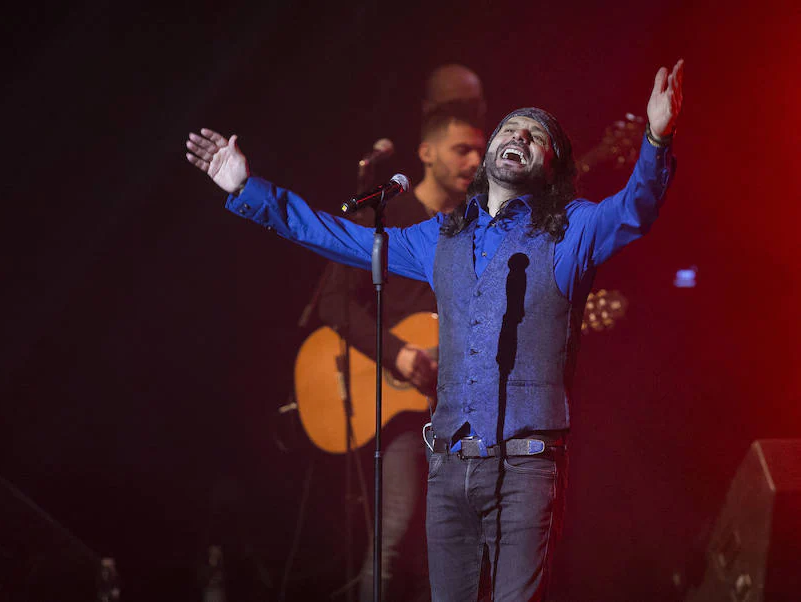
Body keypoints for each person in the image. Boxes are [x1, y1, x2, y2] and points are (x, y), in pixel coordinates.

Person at [185, 59, 684, 601]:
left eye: (536, 136)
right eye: (510, 128)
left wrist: (656, 139)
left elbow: (635, 209)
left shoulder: (571, 231)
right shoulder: (440, 238)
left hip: (526, 469)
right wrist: (248, 189)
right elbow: (337, 239)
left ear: (549, 167)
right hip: (448, 469)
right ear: (492, 153)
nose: (519, 134)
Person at [316, 99, 486, 601]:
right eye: (462, 150)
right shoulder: (386, 216)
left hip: (452, 413)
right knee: (391, 541)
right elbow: (332, 303)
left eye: (480, 150)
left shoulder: (479, 230)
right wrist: (399, 355)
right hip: (394, 411)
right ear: (427, 153)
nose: (476, 161)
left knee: (456, 549)